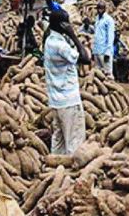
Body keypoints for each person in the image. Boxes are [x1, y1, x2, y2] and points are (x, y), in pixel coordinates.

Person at [44, 9, 91, 155]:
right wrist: (73, 35)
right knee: (74, 141)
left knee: (59, 140)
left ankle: (54, 170)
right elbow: (85, 59)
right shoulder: (60, 46)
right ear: (62, 25)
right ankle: (71, 174)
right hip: (68, 100)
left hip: (56, 100)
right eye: (67, 22)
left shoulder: (48, 40)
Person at [92, 1, 115, 76]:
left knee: (107, 73)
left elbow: (110, 36)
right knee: (98, 73)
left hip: (104, 50)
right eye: (98, 9)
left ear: (104, 9)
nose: (99, 11)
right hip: (97, 49)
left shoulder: (108, 20)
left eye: (101, 9)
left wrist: (108, 51)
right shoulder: (97, 18)